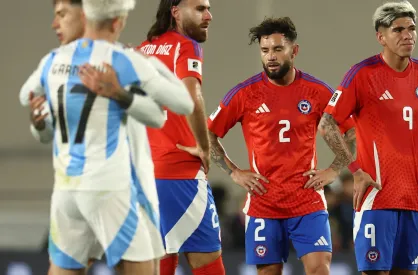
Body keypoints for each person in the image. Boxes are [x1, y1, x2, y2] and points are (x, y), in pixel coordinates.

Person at [19, 0, 195, 273]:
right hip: (115, 188)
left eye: (62, 15)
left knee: (66, 268)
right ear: (117, 21)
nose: (56, 24)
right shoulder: (123, 61)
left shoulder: (53, 61)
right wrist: (144, 71)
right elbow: (180, 106)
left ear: (85, 15)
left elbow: (30, 104)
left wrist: (39, 123)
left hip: (68, 189)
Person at [204, 17, 355, 275]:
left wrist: (334, 170)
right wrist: (234, 172)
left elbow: (351, 131)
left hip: (307, 201)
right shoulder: (245, 94)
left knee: (320, 269)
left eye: (277, 49)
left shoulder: (316, 91)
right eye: (265, 51)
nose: (270, 57)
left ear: (293, 51)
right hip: (264, 203)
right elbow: (207, 133)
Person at [316, 1, 418, 274]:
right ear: (381, 37)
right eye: (398, 29)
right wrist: (354, 170)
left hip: (416, 200)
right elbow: (327, 124)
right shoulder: (363, 74)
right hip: (377, 198)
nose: (408, 35)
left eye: (412, 28)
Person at [139, 1, 225, 274]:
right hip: (179, 171)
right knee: (209, 264)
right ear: (175, 11)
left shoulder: (144, 48)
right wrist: (203, 145)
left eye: (208, 8)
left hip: (147, 172)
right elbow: (192, 97)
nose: (208, 16)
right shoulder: (185, 45)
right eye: (200, 8)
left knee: (162, 258)